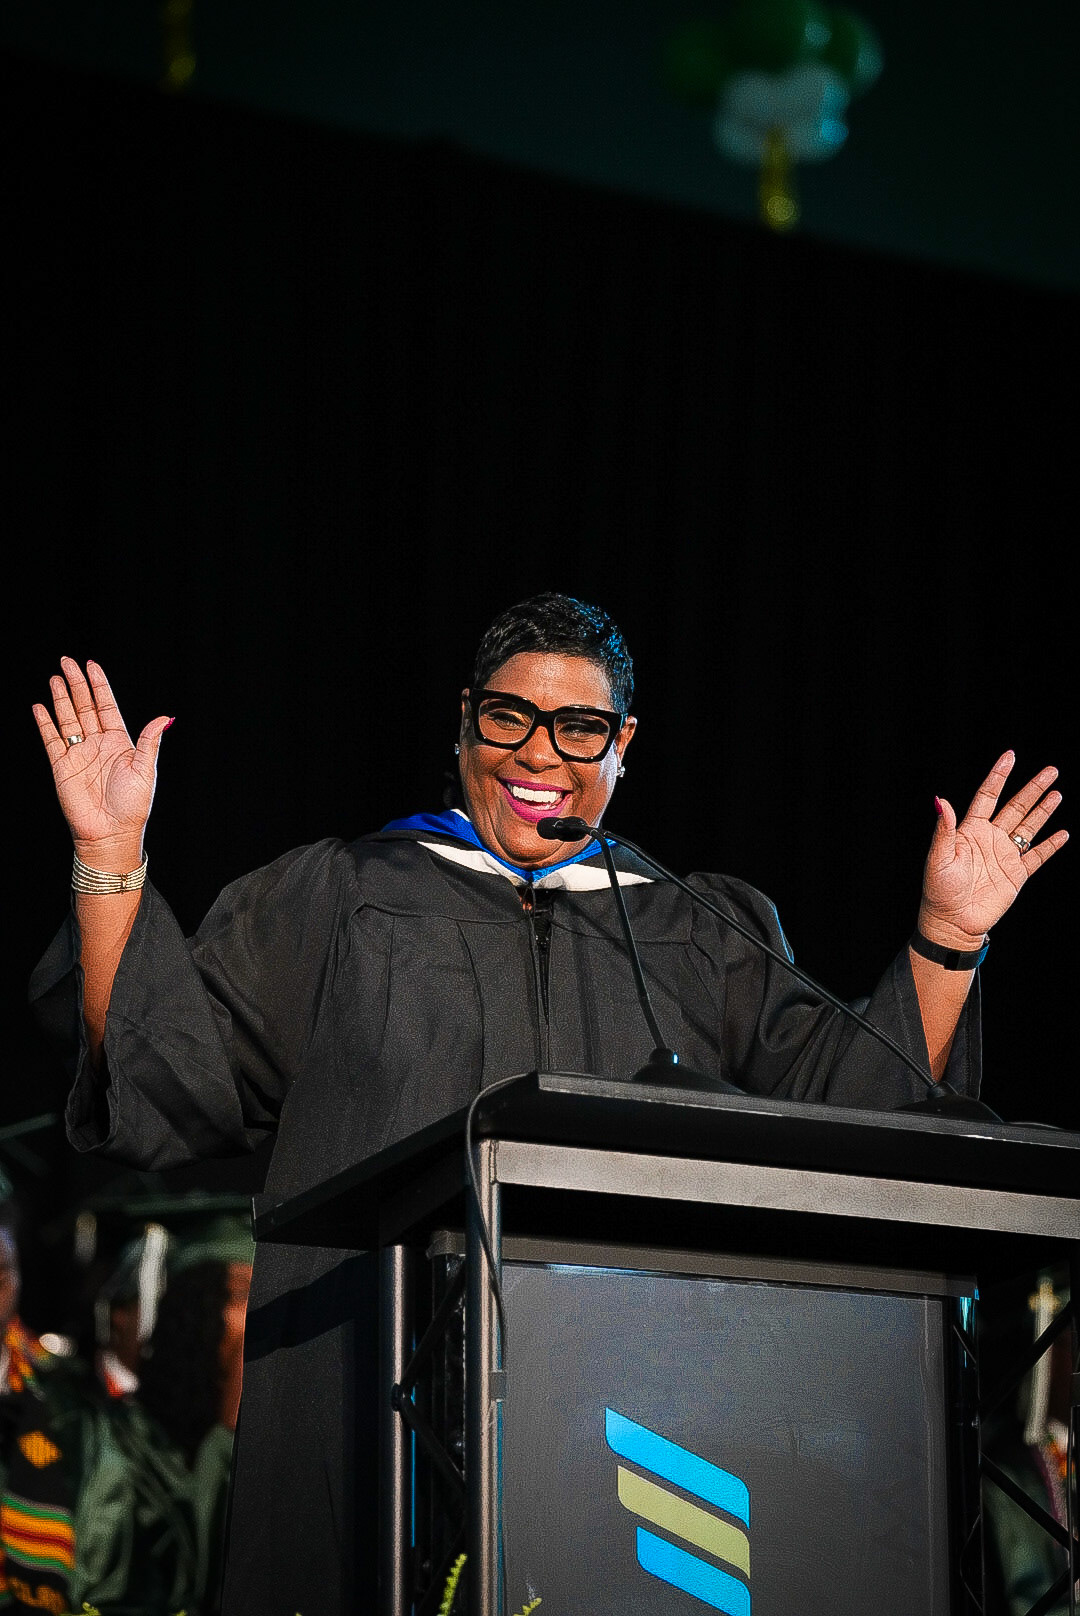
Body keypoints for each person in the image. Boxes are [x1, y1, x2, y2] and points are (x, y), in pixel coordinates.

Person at [28, 593, 1066, 1615]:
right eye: (509, 716)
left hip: (635, 1436)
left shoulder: (697, 934)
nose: (539, 753)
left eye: (580, 728)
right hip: (368, 1412)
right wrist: (109, 857)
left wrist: (946, 940)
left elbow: (864, 1121)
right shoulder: (341, 898)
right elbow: (162, 1077)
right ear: (466, 720)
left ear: (624, 745)